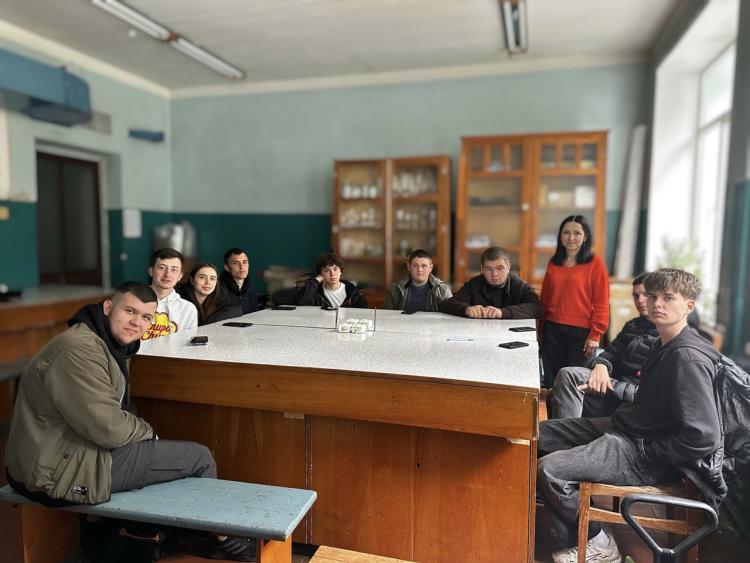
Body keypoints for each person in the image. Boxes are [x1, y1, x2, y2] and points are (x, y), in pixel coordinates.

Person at [4, 281, 254, 561]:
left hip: (62, 452)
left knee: (163, 455)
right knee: (199, 459)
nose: (137, 322)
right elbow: (106, 427)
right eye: (129, 311)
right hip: (53, 470)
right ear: (108, 307)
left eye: (146, 317)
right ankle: (221, 539)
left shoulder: (103, 342)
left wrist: (145, 437)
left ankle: (128, 531)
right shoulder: (78, 350)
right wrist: (149, 433)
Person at [537, 269, 721, 563]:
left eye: (668, 298)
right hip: (629, 429)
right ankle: (564, 519)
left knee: (549, 469)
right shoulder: (662, 342)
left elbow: (703, 437)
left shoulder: (687, 358)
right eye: (653, 296)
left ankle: (598, 543)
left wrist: (648, 451)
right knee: (540, 435)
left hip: (644, 452)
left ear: (688, 306)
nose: (656, 303)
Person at [547, 272, 658, 419]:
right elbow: (609, 353)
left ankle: (566, 431)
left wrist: (610, 384)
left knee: (568, 376)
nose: (640, 300)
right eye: (636, 296)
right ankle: (569, 429)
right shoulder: (633, 326)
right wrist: (602, 365)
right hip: (613, 389)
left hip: (630, 399)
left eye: (645, 295)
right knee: (554, 392)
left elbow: (653, 394)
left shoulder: (666, 335)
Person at [540, 215, 609, 387]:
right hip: (552, 330)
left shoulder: (595, 263)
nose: (571, 237)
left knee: (575, 384)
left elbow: (601, 302)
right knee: (552, 382)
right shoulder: (553, 263)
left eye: (577, 233)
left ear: (585, 237)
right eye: (566, 233)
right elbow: (545, 300)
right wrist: (540, 329)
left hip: (582, 334)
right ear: (560, 236)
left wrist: (595, 334)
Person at [439, 246, 543, 319]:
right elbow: (445, 305)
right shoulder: (474, 284)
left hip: (510, 335)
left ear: (508, 267)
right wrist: (466, 309)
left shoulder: (518, 285)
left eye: (500, 268)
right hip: (479, 334)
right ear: (482, 269)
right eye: (488, 269)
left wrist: (502, 312)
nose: (494, 274)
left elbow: (536, 308)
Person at [141, 248, 198, 340]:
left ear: (180, 276)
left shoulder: (188, 309)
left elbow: (188, 344)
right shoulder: (134, 302)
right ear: (151, 271)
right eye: (162, 268)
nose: (167, 274)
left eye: (174, 270)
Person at [383, 249, 452, 312]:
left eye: (424, 266)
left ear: (431, 268)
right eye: (415, 265)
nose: (419, 270)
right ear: (408, 267)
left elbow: (450, 317)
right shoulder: (396, 289)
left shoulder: (442, 290)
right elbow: (387, 316)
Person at [295, 252, 368, 308]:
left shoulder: (353, 291)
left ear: (341, 272)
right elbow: (300, 302)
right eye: (326, 270)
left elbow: (364, 315)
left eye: (335, 269)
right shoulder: (315, 292)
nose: (332, 274)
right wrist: (315, 281)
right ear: (321, 274)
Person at [178, 262, 242, 325]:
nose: (208, 282)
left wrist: (209, 322)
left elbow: (237, 309)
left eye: (212, 278)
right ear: (192, 280)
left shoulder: (220, 293)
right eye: (202, 277)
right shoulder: (180, 296)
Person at [219, 248, 261, 314]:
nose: (242, 267)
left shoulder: (251, 290)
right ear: (227, 268)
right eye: (235, 263)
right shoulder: (218, 290)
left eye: (244, 262)